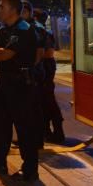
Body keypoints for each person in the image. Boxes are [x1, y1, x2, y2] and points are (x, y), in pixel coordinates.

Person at [0, 0, 41, 181]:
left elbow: (2, 55)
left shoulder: (24, 30)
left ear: (13, 10)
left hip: (21, 84)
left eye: (1, 7)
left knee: (24, 128)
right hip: (5, 82)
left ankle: (29, 170)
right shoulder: (4, 31)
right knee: (0, 125)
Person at [33, 9, 65, 142]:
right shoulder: (40, 30)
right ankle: (45, 131)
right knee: (42, 101)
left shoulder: (43, 31)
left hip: (45, 68)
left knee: (48, 100)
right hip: (44, 67)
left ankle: (57, 133)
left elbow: (49, 53)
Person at [21, 1, 48, 150]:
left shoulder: (35, 28)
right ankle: (30, 139)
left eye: (22, 12)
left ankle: (37, 140)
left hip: (33, 74)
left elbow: (39, 52)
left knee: (34, 108)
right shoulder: (23, 27)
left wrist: (31, 69)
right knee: (27, 109)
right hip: (28, 73)